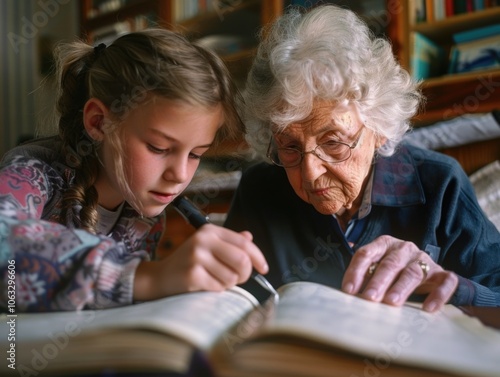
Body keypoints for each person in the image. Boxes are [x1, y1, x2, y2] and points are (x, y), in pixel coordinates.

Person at [224, 4, 500, 312]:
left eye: (334, 143)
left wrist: (455, 286)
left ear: (380, 128)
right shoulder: (258, 188)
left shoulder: (440, 184)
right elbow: (231, 298)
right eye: (289, 147)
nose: (310, 173)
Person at [0, 28, 268, 312]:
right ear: (99, 122)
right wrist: (148, 277)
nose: (179, 175)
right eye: (158, 148)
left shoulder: (146, 216)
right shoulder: (32, 173)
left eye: (195, 154)